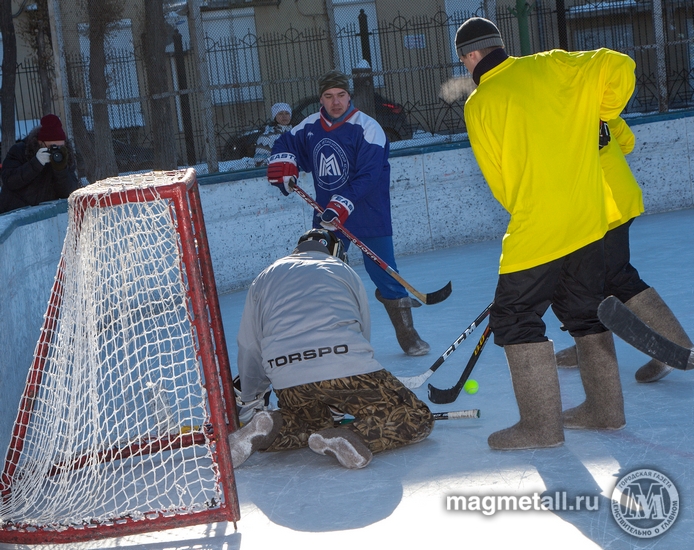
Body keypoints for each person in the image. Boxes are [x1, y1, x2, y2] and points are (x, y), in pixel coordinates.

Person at [455, 17, 635, 450]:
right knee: (584, 310)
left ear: (471, 57)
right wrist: (601, 113)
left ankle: (540, 426)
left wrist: (531, 212)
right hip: (589, 217)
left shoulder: (480, 103)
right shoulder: (554, 64)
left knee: (514, 317)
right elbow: (621, 65)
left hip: (539, 223)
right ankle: (605, 410)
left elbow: (499, 180)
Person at [228, 228, 434, 469]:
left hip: (287, 375)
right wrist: (342, 396)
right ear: (336, 251)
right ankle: (352, 437)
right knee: (416, 417)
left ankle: (269, 427)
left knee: (308, 424)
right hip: (345, 366)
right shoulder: (342, 270)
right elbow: (361, 332)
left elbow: (249, 344)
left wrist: (252, 397)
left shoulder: (264, 277)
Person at [265, 70, 430, 357]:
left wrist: (342, 204)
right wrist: (284, 166)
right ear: (321, 99)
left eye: (341, 95)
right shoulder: (309, 126)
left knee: (384, 274)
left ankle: (408, 334)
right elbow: (285, 143)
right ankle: (335, 338)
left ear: (349, 96)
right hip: (328, 216)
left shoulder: (368, 128)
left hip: (368, 212)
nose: (336, 102)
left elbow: (369, 174)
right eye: (329, 97)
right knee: (322, 274)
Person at [554, 117, 693, 383]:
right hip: (617, 193)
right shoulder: (591, 99)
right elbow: (627, 142)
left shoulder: (552, 108)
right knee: (591, 277)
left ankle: (676, 348)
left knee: (593, 279)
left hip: (595, 205)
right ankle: (591, 347)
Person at [0, 114, 80, 214]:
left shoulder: (65, 156)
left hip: (47, 217)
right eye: (52, 146)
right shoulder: (20, 151)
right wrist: (36, 163)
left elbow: (70, 192)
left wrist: (60, 170)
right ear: (40, 142)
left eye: (60, 146)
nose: (56, 150)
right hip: (16, 214)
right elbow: (9, 181)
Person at [254, 102, 293, 167]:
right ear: (275, 116)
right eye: (280, 113)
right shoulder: (266, 136)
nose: (284, 116)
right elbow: (259, 162)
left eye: (287, 113)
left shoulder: (295, 132)